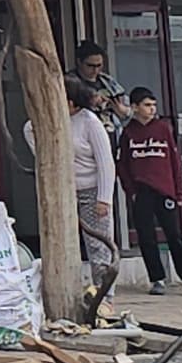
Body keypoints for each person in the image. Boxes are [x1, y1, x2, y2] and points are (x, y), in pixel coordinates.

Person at [116, 85, 182, 296]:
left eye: (154, 105)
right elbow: (122, 165)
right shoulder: (128, 133)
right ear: (134, 107)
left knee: (174, 236)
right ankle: (157, 279)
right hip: (142, 192)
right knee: (146, 237)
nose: (152, 109)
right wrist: (131, 191)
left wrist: (178, 193)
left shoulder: (163, 129)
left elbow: (175, 162)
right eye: (146, 105)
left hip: (166, 191)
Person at [65, 80, 123, 315]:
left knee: (98, 246)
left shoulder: (89, 122)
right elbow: (29, 129)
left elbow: (105, 163)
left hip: (91, 189)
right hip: (66, 191)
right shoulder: (55, 120)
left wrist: (104, 198)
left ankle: (105, 296)